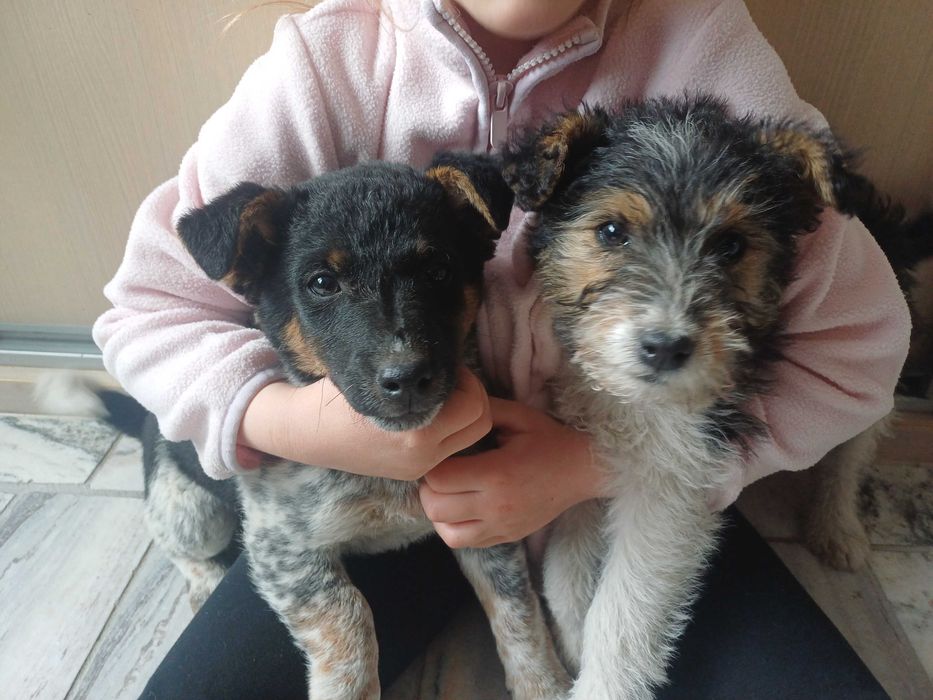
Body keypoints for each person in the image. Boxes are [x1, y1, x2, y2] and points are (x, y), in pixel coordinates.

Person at [96, 0, 907, 697]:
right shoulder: (323, 64)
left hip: (633, 493)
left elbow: (860, 349)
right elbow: (148, 312)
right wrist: (299, 422)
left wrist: (589, 468)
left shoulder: (706, 48)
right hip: (371, 507)